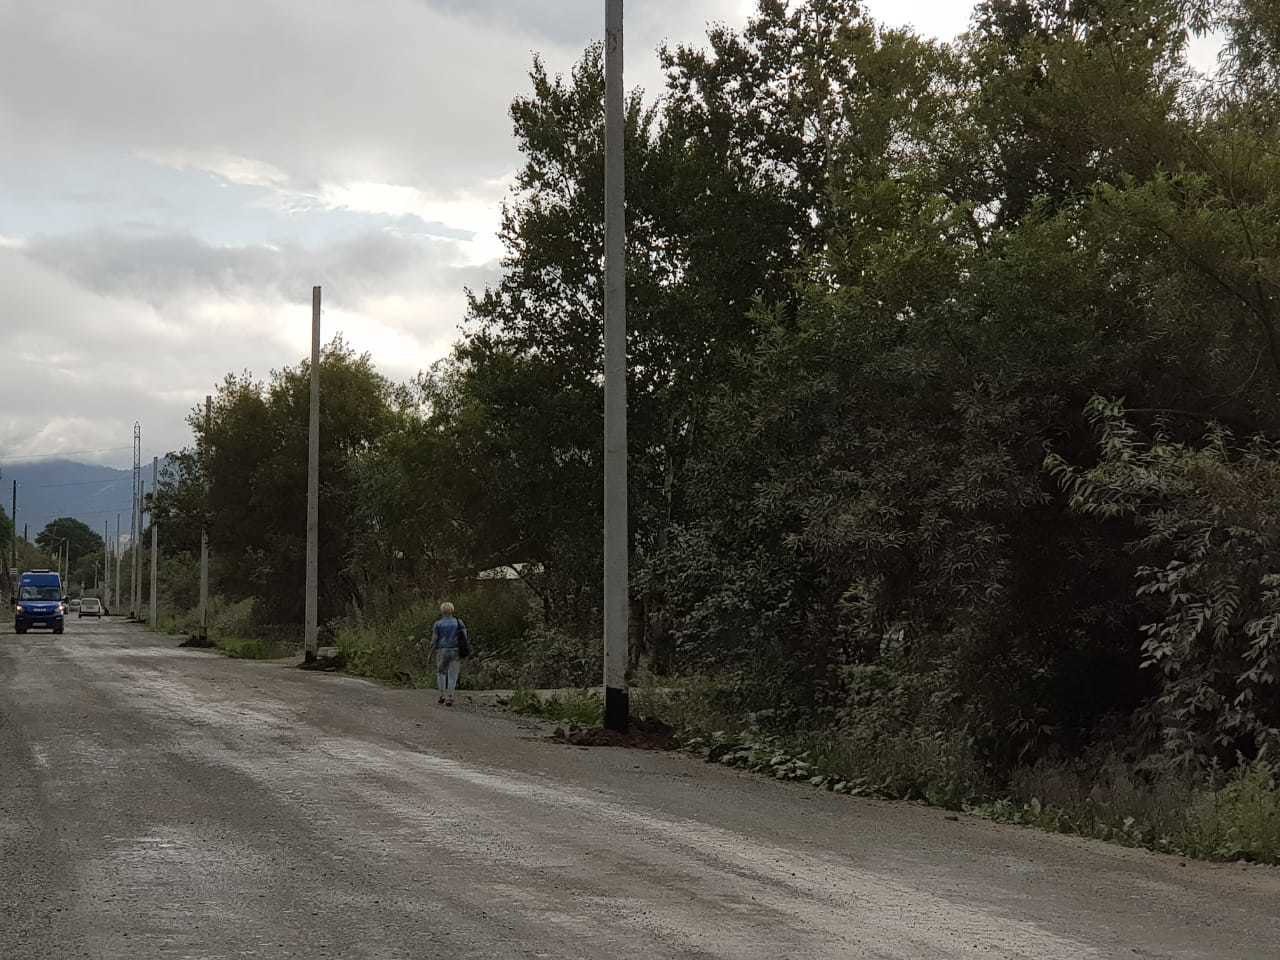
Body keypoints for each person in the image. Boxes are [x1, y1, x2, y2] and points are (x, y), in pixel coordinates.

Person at [430, 601, 469, 706]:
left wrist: (430, 652)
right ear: (452, 610)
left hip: (442, 650)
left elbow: (434, 639)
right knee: (453, 674)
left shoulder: (437, 624)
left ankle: (441, 695)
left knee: (441, 673)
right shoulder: (458, 622)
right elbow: (465, 636)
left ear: (442, 611)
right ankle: (450, 697)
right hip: (455, 650)